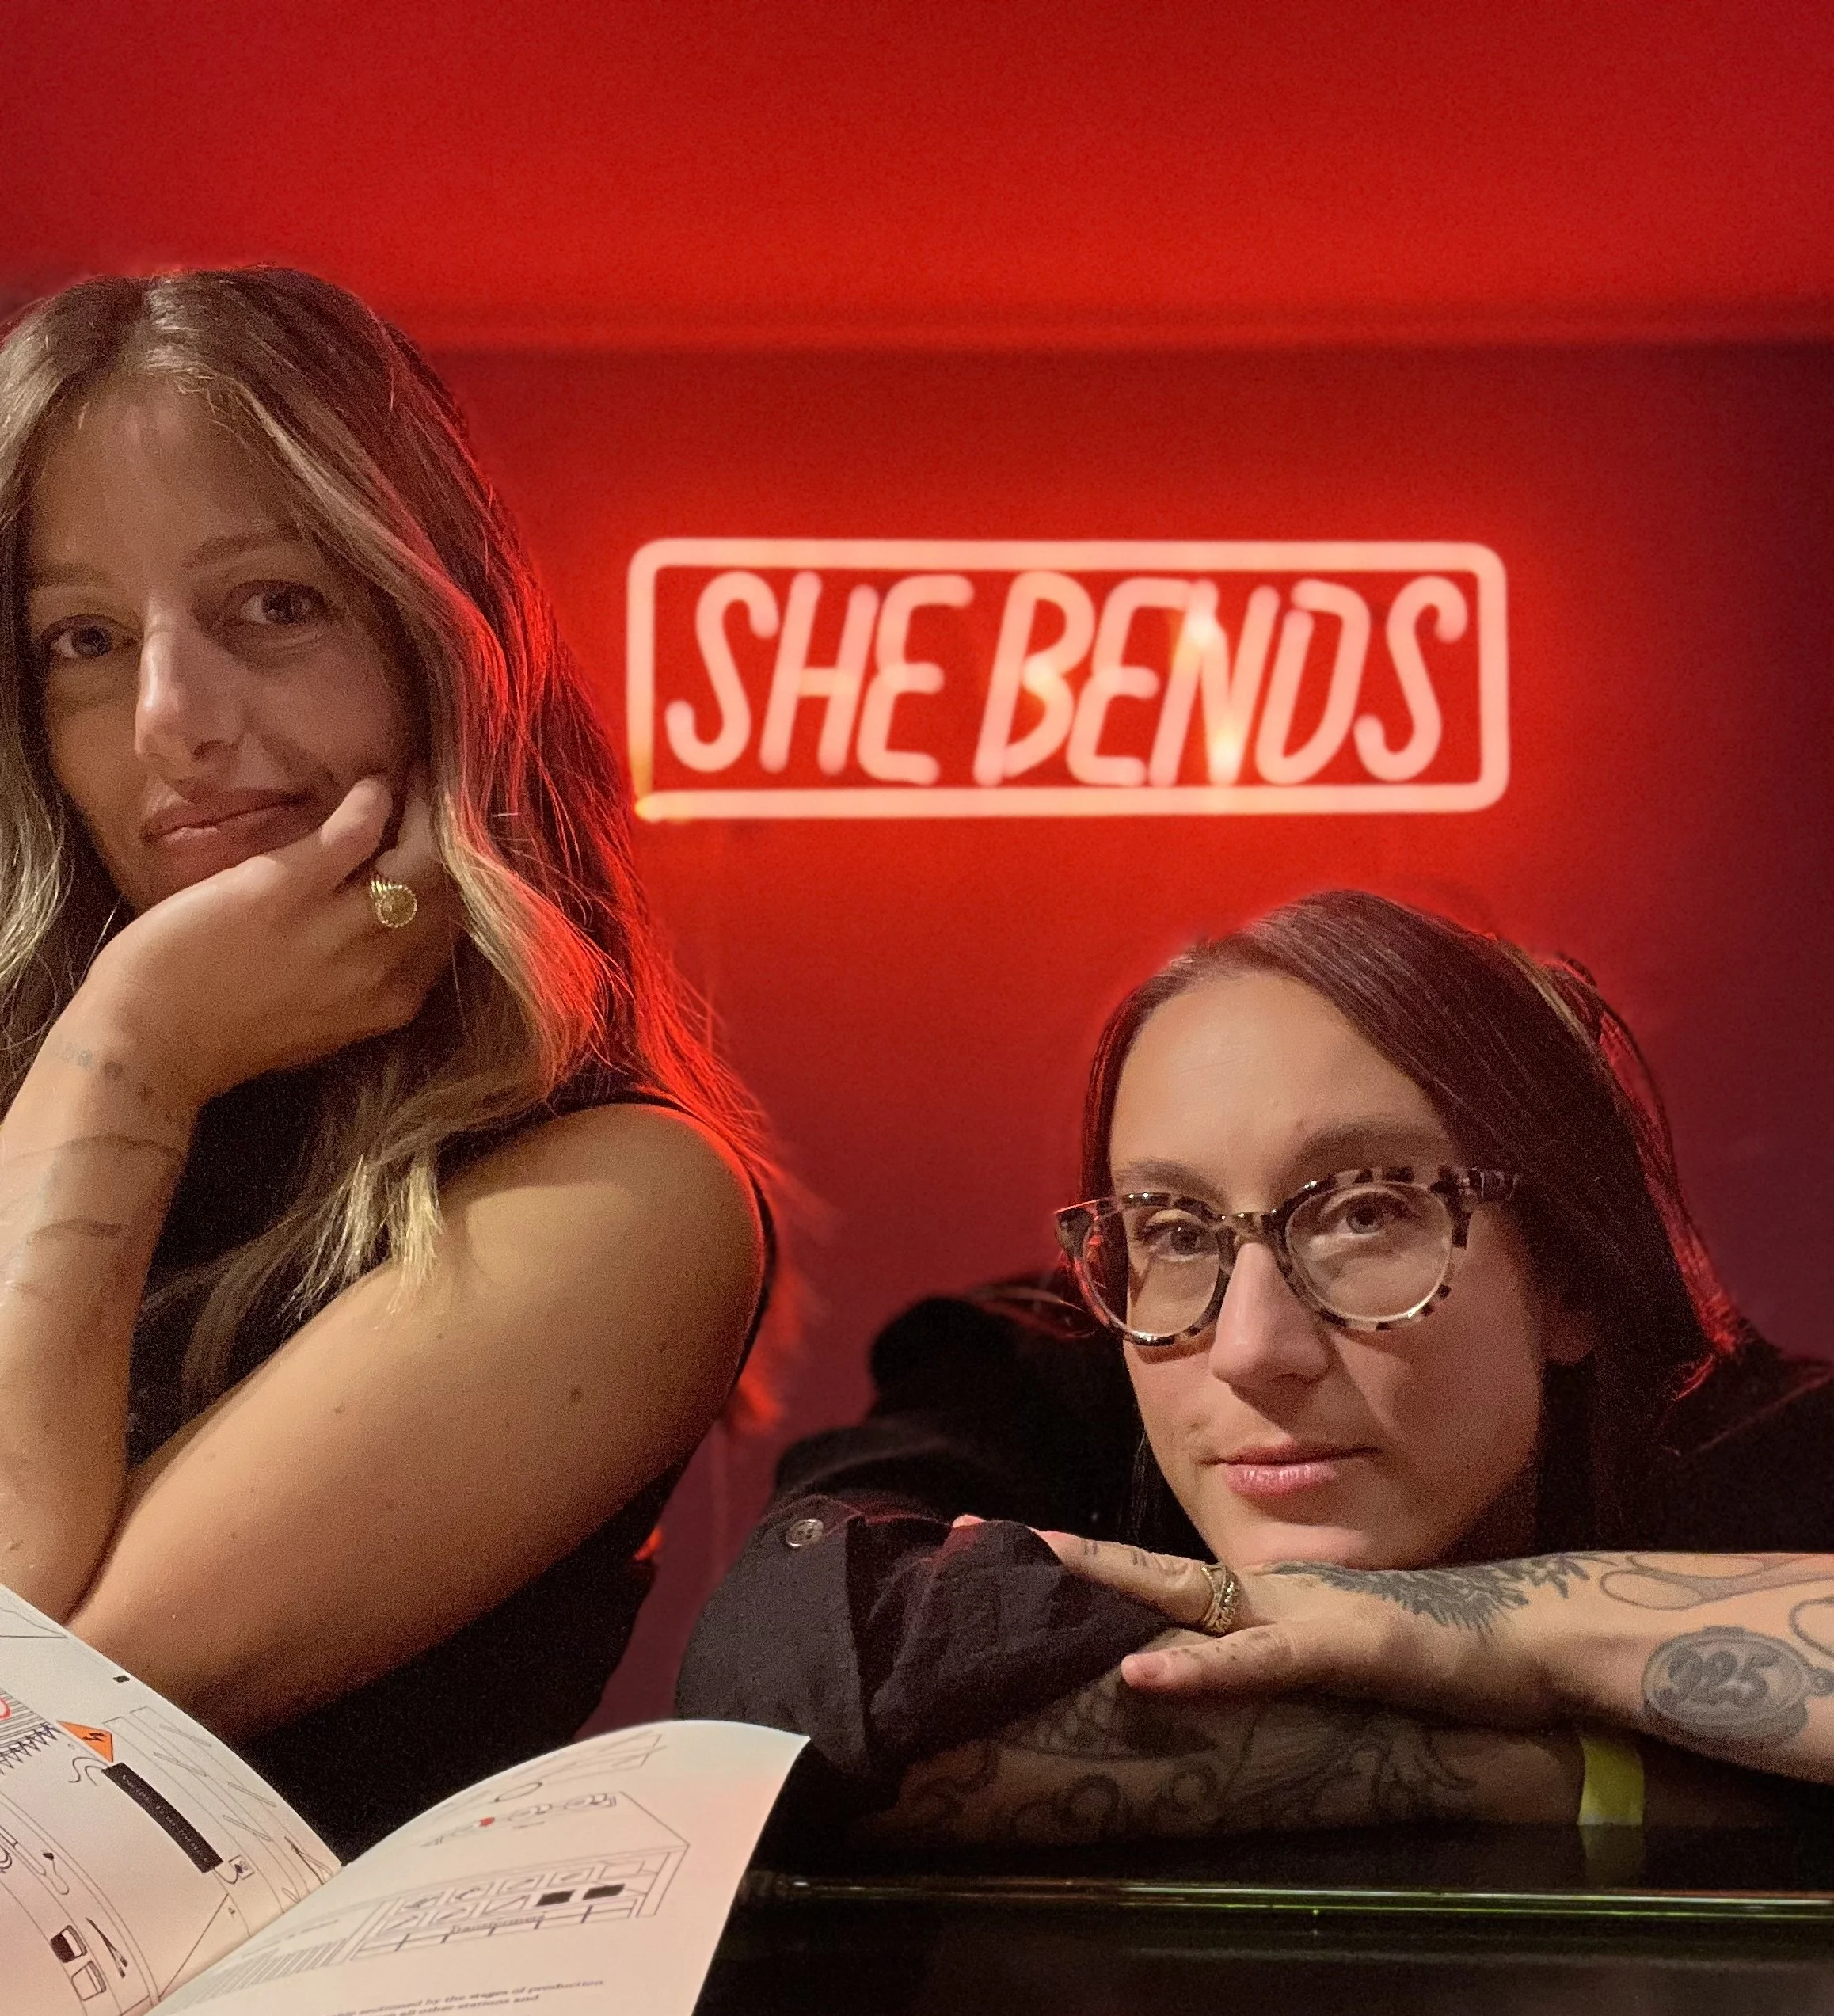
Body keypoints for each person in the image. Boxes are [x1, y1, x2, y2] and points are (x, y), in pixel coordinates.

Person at [0, 269, 770, 1856]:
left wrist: (130, 1050)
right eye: (85, 638)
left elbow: (36, 1725)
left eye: (272, 605)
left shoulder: (627, 1200)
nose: (172, 719)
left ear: (438, 632)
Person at [679, 891, 1834, 1842]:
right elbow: (780, 1691)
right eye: (1174, 1232)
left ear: (1572, 1281)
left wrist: (1492, 1630)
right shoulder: (1041, 1373)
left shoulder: (1743, 1439)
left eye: (1370, 1213)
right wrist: (1584, 1766)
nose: (1251, 1351)